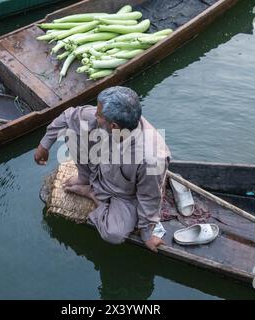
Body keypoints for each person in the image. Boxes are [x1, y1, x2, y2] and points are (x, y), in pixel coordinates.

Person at [35, 86, 170, 253]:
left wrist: (147, 234)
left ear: (113, 126)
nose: (95, 115)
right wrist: (44, 145)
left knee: (114, 234)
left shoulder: (152, 156)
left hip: (124, 194)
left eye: (99, 115)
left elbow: (149, 197)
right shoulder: (105, 121)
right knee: (72, 129)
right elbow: (68, 116)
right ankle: (85, 179)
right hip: (100, 165)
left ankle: (92, 193)